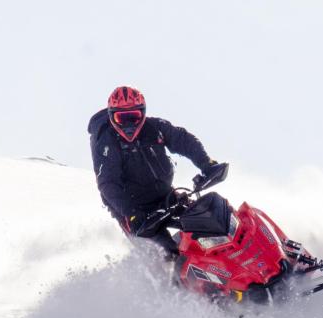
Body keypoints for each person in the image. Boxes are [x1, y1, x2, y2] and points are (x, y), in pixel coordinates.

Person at [88, 86, 223, 256]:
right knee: (166, 254)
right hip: (135, 212)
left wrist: (207, 164)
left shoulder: (154, 127)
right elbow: (108, 184)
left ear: (142, 113)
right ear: (112, 116)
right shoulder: (106, 143)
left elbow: (183, 139)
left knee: (207, 225)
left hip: (166, 197)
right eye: (122, 118)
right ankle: (167, 282)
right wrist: (132, 214)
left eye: (134, 116)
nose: (129, 124)